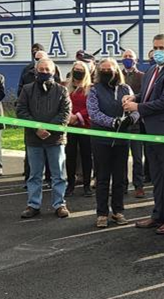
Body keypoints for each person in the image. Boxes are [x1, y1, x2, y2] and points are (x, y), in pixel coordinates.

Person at [123, 34, 164, 235]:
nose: (157, 51)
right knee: (157, 177)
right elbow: (150, 94)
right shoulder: (152, 70)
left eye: (162, 47)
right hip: (150, 132)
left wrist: (137, 106)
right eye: (155, 47)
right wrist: (135, 96)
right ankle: (157, 215)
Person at [18, 58, 72, 219]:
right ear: (35, 71)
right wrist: (37, 128)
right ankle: (33, 204)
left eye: (47, 69)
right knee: (34, 174)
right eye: (41, 69)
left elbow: (65, 114)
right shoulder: (27, 90)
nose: (44, 72)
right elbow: (21, 111)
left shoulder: (62, 91)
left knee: (59, 175)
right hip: (33, 140)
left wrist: (47, 128)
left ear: (53, 72)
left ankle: (59, 204)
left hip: (56, 139)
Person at [87, 58, 134, 228]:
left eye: (110, 69)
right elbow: (93, 112)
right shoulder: (94, 90)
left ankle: (118, 211)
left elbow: (135, 108)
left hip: (122, 139)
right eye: (104, 69)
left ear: (117, 70)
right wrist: (113, 122)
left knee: (120, 178)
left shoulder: (125, 88)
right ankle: (101, 213)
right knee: (102, 178)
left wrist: (130, 119)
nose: (107, 72)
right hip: (101, 140)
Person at [121, 49, 147, 198]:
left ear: (136, 60)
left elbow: (144, 97)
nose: (128, 59)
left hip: (137, 122)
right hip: (121, 122)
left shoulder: (142, 77)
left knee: (138, 157)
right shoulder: (118, 76)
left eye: (130, 57)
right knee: (121, 157)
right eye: (125, 57)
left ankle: (139, 185)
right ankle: (122, 184)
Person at [66, 61, 93, 197]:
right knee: (70, 156)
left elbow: (91, 107)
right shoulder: (66, 87)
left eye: (80, 69)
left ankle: (87, 185)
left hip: (85, 126)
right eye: (75, 69)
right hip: (69, 126)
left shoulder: (90, 88)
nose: (77, 71)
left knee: (86, 156)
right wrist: (69, 117)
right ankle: (70, 184)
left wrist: (77, 116)